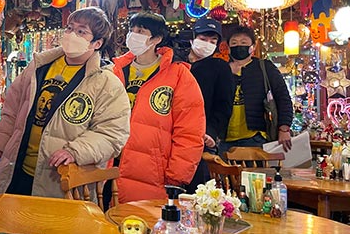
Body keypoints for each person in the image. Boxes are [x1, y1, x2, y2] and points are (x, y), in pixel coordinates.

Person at [0, 7, 130, 200]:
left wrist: (75, 151)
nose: (72, 35)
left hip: (61, 180)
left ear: (97, 43)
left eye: (81, 31)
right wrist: (0, 145)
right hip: (17, 170)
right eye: (70, 28)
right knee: (11, 226)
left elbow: (112, 133)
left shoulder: (106, 83)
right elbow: (12, 109)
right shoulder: (39, 66)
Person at [113, 11, 205, 202]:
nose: (133, 35)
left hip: (151, 172)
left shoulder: (178, 75)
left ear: (157, 39)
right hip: (109, 167)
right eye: (132, 29)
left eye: (141, 30)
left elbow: (190, 131)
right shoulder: (115, 70)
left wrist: (177, 176)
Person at [220, 25, 293, 154]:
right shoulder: (221, 70)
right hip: (224, 140)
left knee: (255, 174)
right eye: (234, 43)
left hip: (256, 138)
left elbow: (283, 98)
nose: (239, 46)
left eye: (243, 42)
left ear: (252, 47)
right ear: (229, 48)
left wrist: (284, 129)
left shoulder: (264, 67)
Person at [185, 18, 235, 193]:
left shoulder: (220, 67)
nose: (207, 44)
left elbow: (224, 106)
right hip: (171, 134)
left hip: (200, 138)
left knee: (196, 188)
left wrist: (212, 132)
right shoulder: (177, 63)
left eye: (213, 41)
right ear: (193, 39)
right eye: (203, 39)